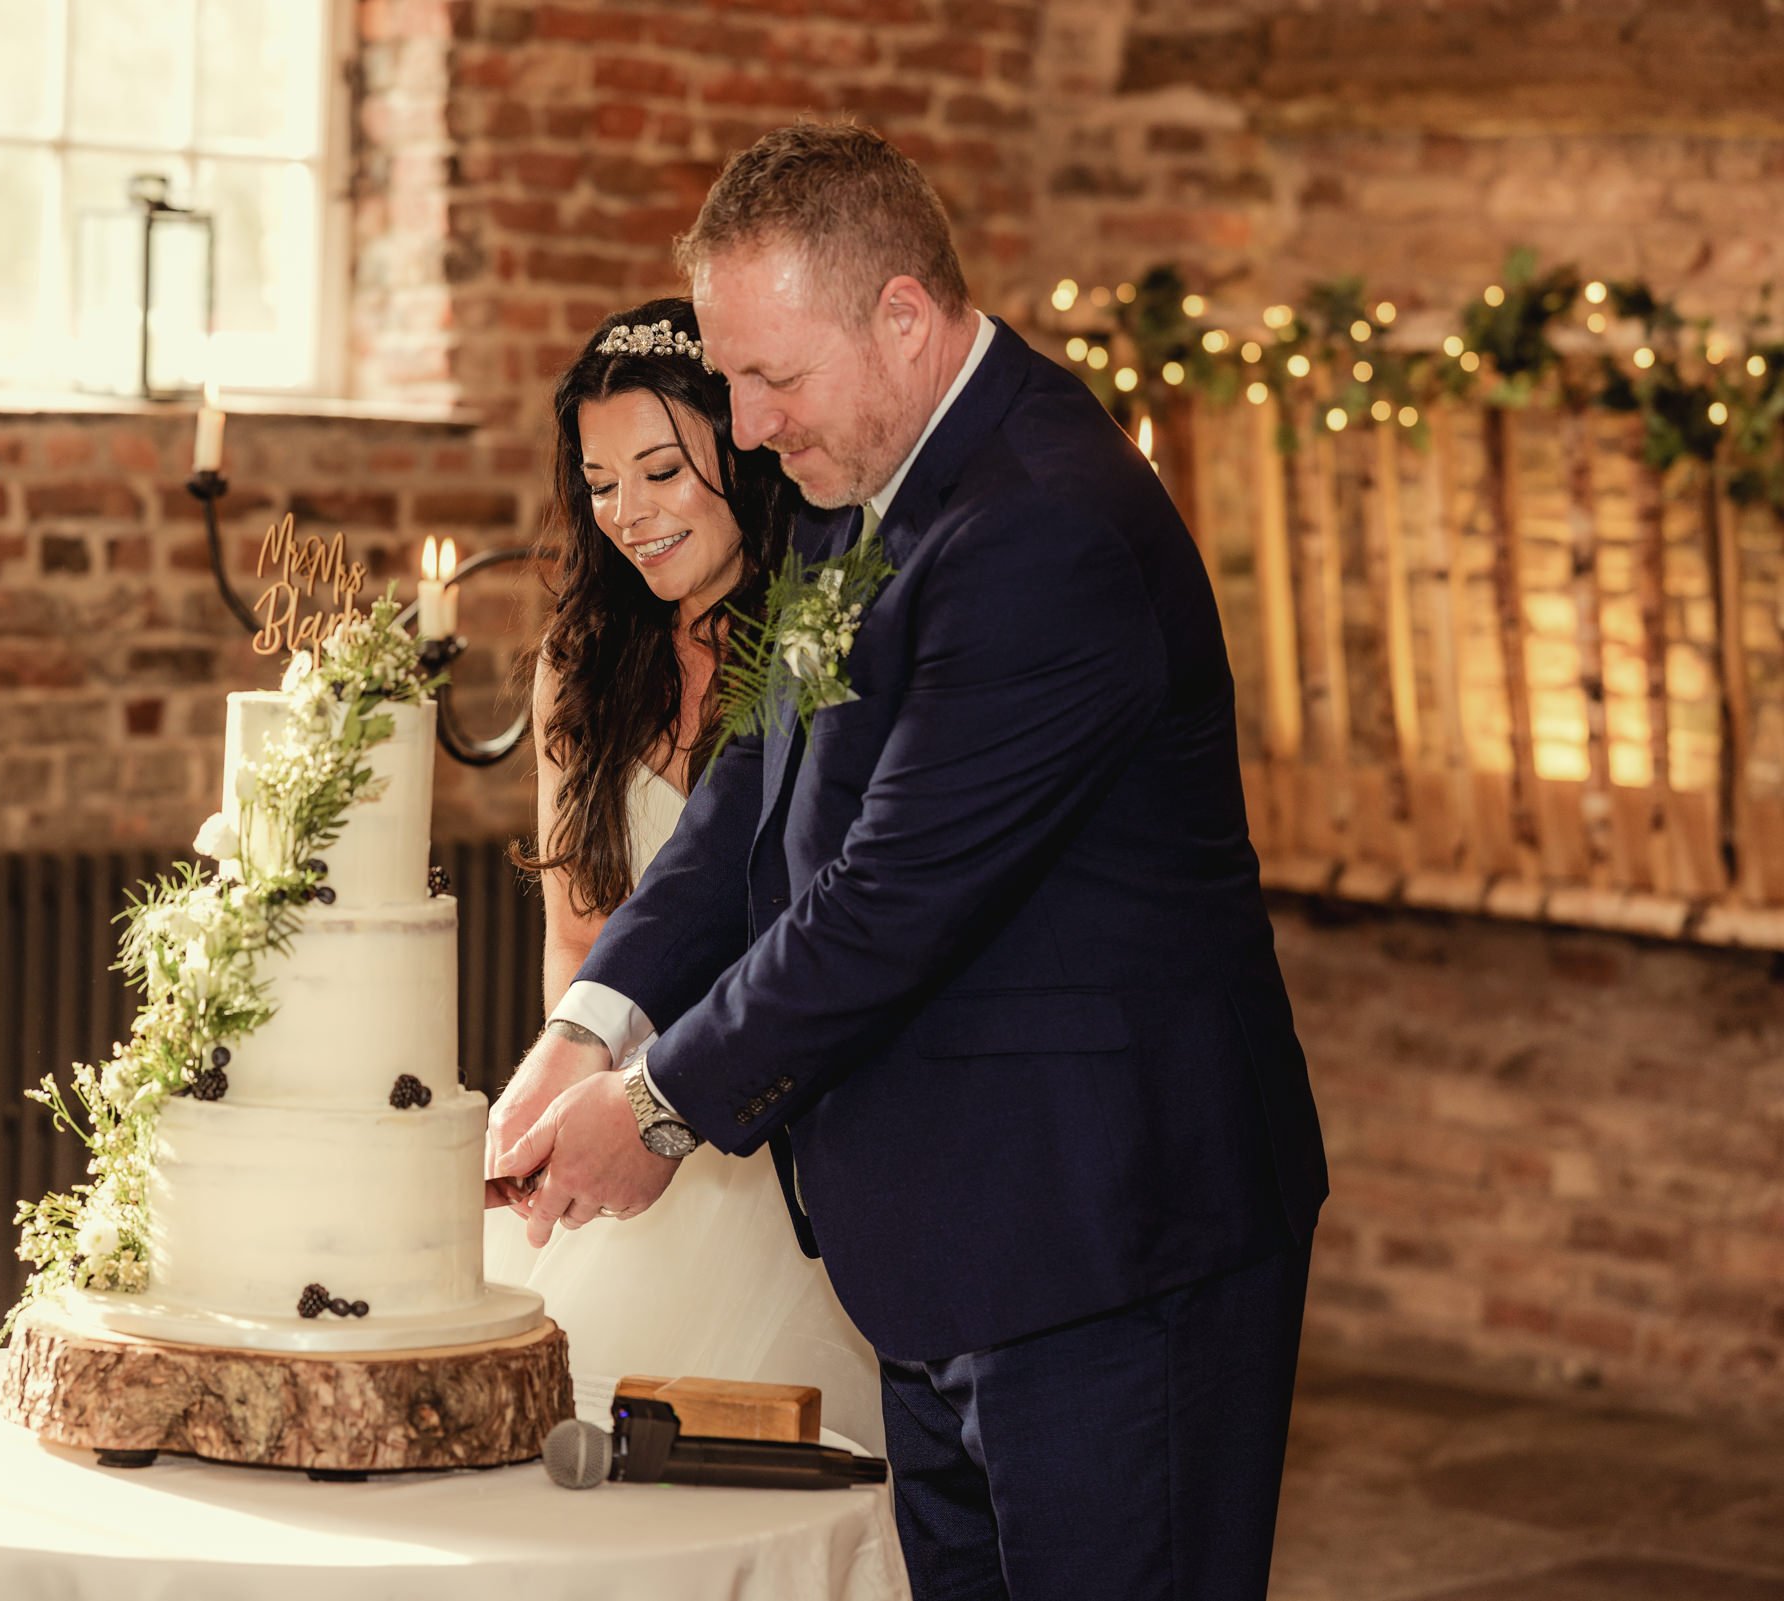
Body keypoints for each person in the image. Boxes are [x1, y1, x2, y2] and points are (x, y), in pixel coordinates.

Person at [487, 123, 1328, 1600]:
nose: (743, 427)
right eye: (733, 377)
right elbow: (755, 790)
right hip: (940, 1248)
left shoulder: (1045, 526)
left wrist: (662, 1109)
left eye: (771, 379)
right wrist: (588, 1022)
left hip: (1106, 1243)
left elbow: (887, 899)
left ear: (903, 316)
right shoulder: (845, 495)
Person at [480, 296, 886, 1457]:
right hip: (614, 1117)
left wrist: (673, 1107)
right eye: (601, 483)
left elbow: (835, 915)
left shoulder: (818, 634)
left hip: (784, 1141)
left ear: (740, 446)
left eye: (661, 470)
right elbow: (583, 937)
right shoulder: (583, 661)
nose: (630, 515)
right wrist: (562, 1104)